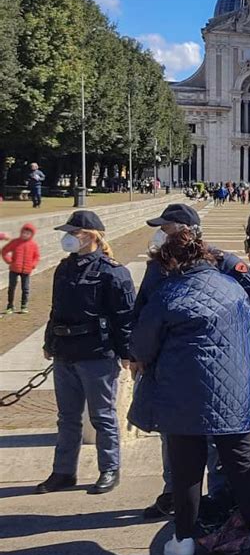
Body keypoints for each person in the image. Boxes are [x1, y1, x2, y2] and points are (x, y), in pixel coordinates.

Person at [128, 221, 250, 555]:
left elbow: (140, 345)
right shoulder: (233, 290)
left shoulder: (167, 293)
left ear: (169, 261)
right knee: (242, 463)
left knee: (186, 469)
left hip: (180, 393)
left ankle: (183, 540)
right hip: (232, 391)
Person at [37, 211, 135, 495]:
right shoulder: (64, 268)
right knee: (67, 417)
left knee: (102, 416)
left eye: (74, 233)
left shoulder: (112, 271)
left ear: (91, 235)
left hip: (97, 353)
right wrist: (48, 342)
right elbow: (55, 310)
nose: (68, 237)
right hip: (65, 352)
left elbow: (124, 317)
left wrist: (127, 353)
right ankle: (63, 472)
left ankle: (109, 469)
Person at [2, 223, 40, 314]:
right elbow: (4, 250)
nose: (25, 235)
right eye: (24, 233)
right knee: (12, 288)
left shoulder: (33, 245)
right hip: (14, 269)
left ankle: (24, 305)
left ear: (31, 235)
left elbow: (36, 256)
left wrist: (33, 265)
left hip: (26, 270)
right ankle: (10, 305)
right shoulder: (15, 242)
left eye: (27, 233)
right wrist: (9, 260)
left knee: (25, 288)